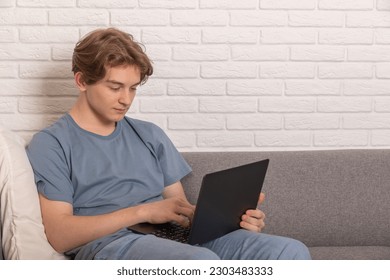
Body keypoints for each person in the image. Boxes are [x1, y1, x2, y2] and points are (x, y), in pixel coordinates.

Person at [26, 28, 311, 260]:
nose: (126, 99)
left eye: (133, 88)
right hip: (110, 245)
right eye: (115, 87)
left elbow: (180, 209)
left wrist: (230, 219)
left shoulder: (150, 135)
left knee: (290, 251)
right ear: (81, 81)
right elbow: (60, 234)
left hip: (171, 237)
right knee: (200, 263)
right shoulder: (52, 144)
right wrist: (144, 211)